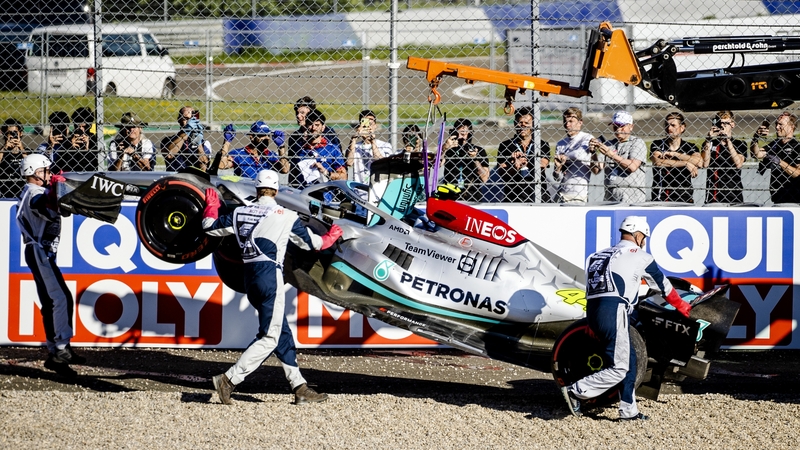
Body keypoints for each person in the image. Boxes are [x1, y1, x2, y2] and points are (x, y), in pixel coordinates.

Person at [203, 169, 341, 405]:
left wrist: (211, 205)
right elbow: (313, 244)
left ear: (257, 189)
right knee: (269, 337)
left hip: (249, 278)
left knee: (280, 332)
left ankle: (300, 387)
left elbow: (209, 227)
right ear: (276, 191)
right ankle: (229, 380)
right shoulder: (286, 215)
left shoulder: (239, 212)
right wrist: (333, 235)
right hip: (270, 277)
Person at [560, 216, 691, 421]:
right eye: (644, 237)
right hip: (615, 311)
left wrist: (591, 322)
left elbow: (592, 291)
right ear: (638, 235)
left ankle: (628, 411)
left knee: (629, 360)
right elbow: (663, 285)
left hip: (593, 312)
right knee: (620, 368)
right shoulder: (641, 256)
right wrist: (682, 306)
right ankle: (576, 391)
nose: (644, 242)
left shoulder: (596, 256)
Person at [16, 154, 86, 377]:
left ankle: (57, 350)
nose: (50, 174)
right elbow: (43, 206)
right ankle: (60, 350)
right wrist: (56, 191)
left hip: (40, 252)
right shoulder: (34, 192)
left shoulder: (35, 191)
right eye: (46, 170)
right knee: (60, 298)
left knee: (52, 300)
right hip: (39, 252)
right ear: (35, 173)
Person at [493, 107, 551, 203]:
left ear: (533, 124)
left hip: (539, 195)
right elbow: (502, 171)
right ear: (515, 124)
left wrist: (524, 161)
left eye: (526, 123)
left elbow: (542, 165)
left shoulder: (542, 144)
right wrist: (514, 166)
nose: (523, 125)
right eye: (520, 122)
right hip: (513, 196)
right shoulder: (506, 145)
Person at [591, 111, 647, 203]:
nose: (618, 129)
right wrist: (593, 152)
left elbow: (632, 167)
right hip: (610, 198)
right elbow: (596, 170)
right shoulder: (609, 144)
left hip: (632, 199)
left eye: (621, 126)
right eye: (615, 126)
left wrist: (611, 154)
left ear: (631, 127)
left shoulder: (637, 142)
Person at [287, 97, 341, 187]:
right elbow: (293, 166)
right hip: (302, 184)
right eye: (297, 112)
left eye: (302, 113)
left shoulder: (327, 132)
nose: (298, 116)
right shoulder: (294, 136)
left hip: (326, 182)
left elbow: (339, 158)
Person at [649, 112, 702, 203]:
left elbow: (699, 162)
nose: (669, 128)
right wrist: (685, 163)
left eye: (673, 125)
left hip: (684, 196)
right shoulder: (658, 144)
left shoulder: (690, 147)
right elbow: (657, 162)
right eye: (667, 125)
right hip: (661, 197)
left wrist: (675, 154)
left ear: (682, 127)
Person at [752, 111, 800, 203]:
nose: (777, 127)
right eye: (776, 124)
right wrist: (756, 137)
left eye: (780, 124)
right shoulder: (775, 144)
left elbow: (798, 173)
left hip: (794, 197)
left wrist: (780, 162)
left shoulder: (797, 147)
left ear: (791, 127)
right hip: (777, 196)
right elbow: (756, 154)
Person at [553, 107, 599, 203]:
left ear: (580, 122)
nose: (567, 125)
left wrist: (565, 157)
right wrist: (558, 168)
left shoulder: (586, 138)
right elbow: (557, 178)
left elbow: (579, 155)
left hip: (578, 194)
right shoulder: (561, 144)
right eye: (565, 121)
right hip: (562, 193)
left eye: (571, 121)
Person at [702, 110, 747, 204]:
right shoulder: (710, 143)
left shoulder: (739, 144)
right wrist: (708, 140)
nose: (722, 126)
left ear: (732, 124)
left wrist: (728, 141)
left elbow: (738, 163)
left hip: (733, 193)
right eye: (720, 123)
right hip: (714, 193)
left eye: (725, 123)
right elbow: (705, 164)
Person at [441, 118, 489, 202]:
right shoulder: (449, 151)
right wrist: (444, 149)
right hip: (450, 195)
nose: (461, 136)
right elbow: (436, 165)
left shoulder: (479, 150)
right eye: (459, 133)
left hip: (472, 195)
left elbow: (485, 178)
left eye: (464, 133)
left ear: (469, 133)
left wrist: (475, 159)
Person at [296, 109, 347, 186]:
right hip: (304, 191)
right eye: (310, 124)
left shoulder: (332, 149)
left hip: (326, 192)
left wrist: (325, 172)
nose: (313, 128)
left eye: (317, 125)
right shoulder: (299, 149)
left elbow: (343, 176)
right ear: (306, 126)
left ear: (323, 128)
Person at [222, 121, 288, 178]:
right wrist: (227, 142)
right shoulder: (239, 154)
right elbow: (222, 165)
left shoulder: (270, 155)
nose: (267, 138)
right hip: (244, 188)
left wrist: (281, 146)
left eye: (268, 135)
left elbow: (285, 170)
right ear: (252, 137)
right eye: (262, 135)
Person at [346, 109, 396, 185]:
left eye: (370, 123)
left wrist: (372, 141)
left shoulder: (385, 145)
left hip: (379, 187)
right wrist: (354, 138)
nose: (368, 126)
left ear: (375, 126)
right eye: (365, 123)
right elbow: (349, 162)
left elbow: (383, 164)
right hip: (359, 188)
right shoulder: (355, 146)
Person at [161, 106, 212, 171]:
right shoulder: (168, 140)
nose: (189, 121)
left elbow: (204, 168)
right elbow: (169, 155)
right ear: (179, 120)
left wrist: (199, 144)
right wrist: (185, 133)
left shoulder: (204, 143)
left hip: (194, 176)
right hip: (175, 175)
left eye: (192, 119)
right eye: (186, 118)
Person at [53, 107, 103, 173]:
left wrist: (86, 149)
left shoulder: (95, 142)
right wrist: (70, 148)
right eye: (77, 126)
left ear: (90, 125)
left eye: (84, 126)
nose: (80, 129)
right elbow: (59, 166)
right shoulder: (69, 141)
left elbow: (92, 167)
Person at [0, 118, 29, 198]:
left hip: (24, 189)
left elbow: (31, 165)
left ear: (20, 133)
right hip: (4, 190)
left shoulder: (28, 151)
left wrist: (21, 148)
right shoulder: (2, 152)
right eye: (10, 133)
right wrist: (4, 148)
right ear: (5, 134)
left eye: (15, 132)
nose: (13, 135)